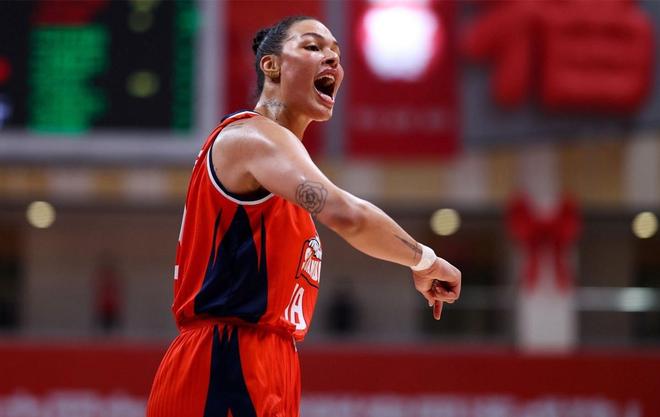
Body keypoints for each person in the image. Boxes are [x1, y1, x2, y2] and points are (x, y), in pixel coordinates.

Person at [146, 15, 461, 417]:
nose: (332, 59)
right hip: (223, 362)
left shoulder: (283, 170)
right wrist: (425, 260)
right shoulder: (251, 138)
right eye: (313, 47)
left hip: (270, 360)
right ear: (271, 65)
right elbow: (348, 216)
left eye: (336, 53)